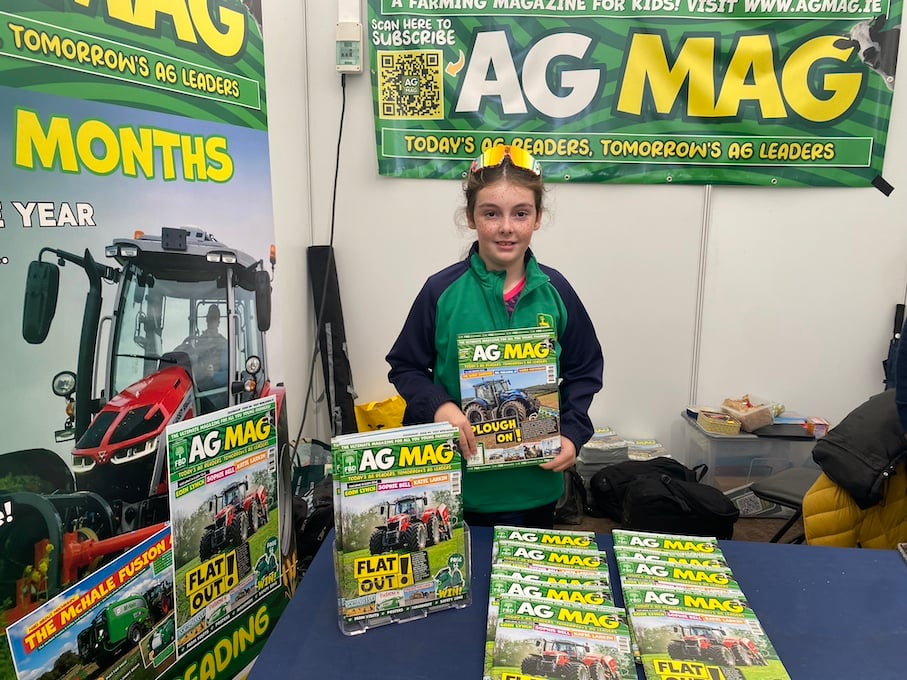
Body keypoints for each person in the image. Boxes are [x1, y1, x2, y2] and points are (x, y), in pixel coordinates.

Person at [386, 144, 604, 530]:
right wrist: (440, 407)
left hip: (536, 487)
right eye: (491, 214)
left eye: (521, 213)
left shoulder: (558, 292)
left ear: (537, 218)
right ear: (471, 218)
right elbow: (405, 366)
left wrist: (572, 433)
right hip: (458, 488)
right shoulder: (440, 292)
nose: (506, 227)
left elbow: (585, 370)